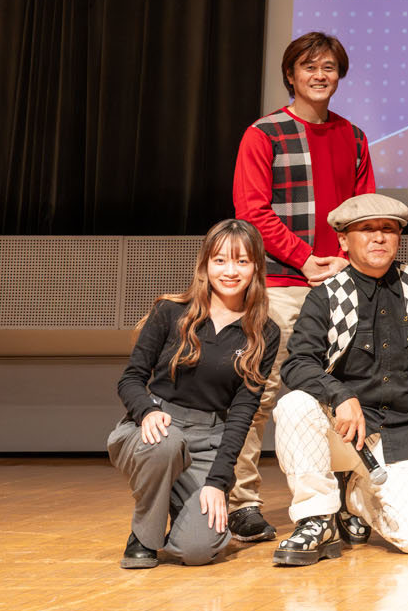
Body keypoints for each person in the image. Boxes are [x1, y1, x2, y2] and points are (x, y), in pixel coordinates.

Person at [227, 30, 375, 543]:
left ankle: (342, 501)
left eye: (329, 67)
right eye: (309, 66)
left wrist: (345, 264)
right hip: (281, 285)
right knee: (259, 390)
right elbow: (252, 212)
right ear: (290, 75)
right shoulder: (263, 134)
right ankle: (242, 501)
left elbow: (365, 213)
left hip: (341, 286)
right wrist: (305, 258)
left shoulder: (354, 137)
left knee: (340, 394)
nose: (319, 75)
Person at [271, 195, 408, 566]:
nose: (379, 237)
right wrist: (339, 394)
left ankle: (354, 498)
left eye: (388, 230)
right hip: (343, 430)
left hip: (403, 431)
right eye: (366, 229)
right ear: (343, 241)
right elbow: (297, 363)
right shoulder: (326, 295)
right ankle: (316, 519)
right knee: (294, 405)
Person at [110, 220, 281, 568]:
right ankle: (144, 535)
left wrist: (218, 481)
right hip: (155, 430)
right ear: (205, 264)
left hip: (210, 440)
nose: (230, 271)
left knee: (198, 551)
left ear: (256, 267)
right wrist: (146, 412)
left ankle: (178, 505)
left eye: (242, 261)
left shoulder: (265, 332)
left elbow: (243, 413)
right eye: (220, 260)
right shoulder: (170, 311)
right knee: (166, 445)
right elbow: (131, 379)